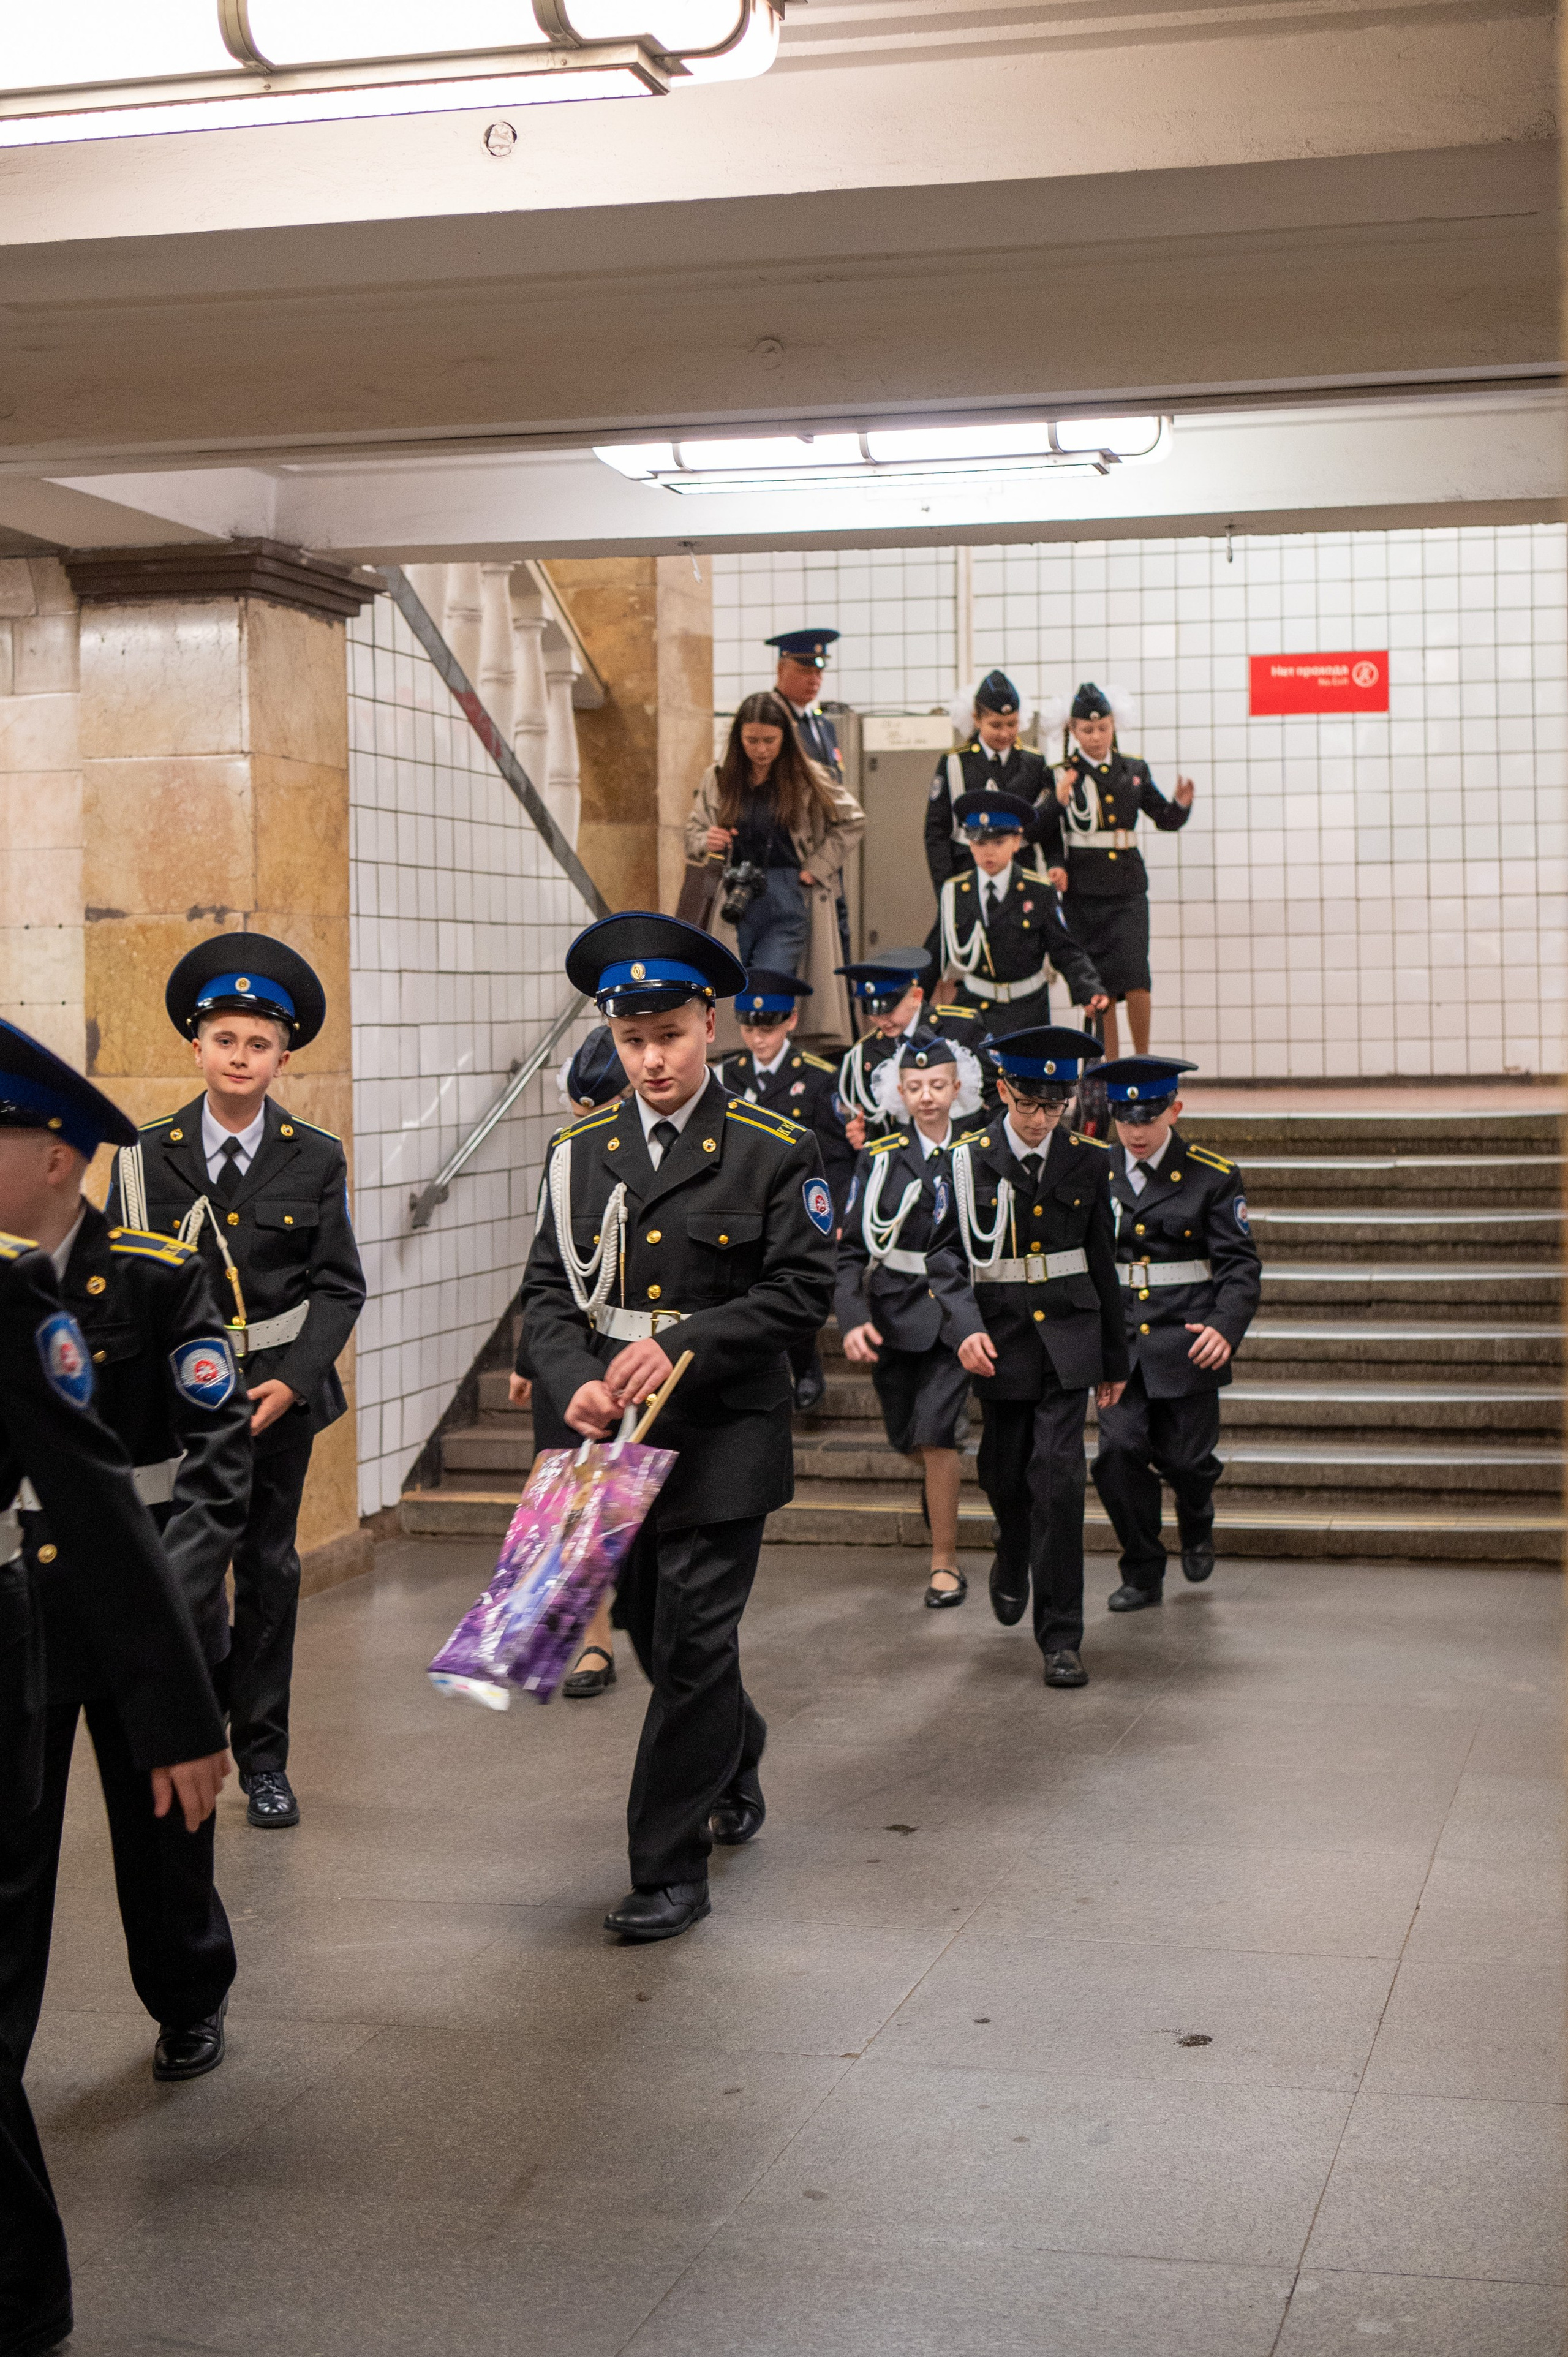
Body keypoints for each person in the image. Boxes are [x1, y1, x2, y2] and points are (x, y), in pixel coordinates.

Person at [519, 911, 835, 1943]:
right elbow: (548, 1293)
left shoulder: (773, 1149)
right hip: (615, 1442)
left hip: (723, 1434)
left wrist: (686, 1342)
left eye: (670, 1036)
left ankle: (667, 1868)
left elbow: (802, 1292)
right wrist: (572, 1378)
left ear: (711, 1025)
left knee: (695, 1640)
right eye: (632, 1040)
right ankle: (737, 1746)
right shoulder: (578, 1154)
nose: (652, 1060)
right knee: (658, 1637)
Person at [0, 1027, 230, 2357]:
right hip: (29, 1605)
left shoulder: (146, 1270)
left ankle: (188, 1988)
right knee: (20, 1848)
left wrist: (182, 1614)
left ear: (54, 1155)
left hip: (139, 1594)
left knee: (159, 1828)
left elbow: (199, 1456)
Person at [105, 934, 366, 1831]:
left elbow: (339, 1286)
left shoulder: (314, 1155)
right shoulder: (142, 1155)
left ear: (283, 1058)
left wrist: (291, 1384)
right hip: (177, 1406)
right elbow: (120, 1286)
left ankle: (263, 1759)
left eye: (260, 1044)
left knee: (265, 1573)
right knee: (180, 1569)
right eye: (226, 1040)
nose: (241, 1057)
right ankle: (185, 1730)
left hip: (273, 1400)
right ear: (197, 1047)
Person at [948, 1027, 1128, 1688]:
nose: (1040, 1119)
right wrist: (964, 1327)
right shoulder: (967, 1160)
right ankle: (1011, 1544)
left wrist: (1114, 1359)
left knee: (1059, 1482)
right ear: (1003, 1091)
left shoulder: (1088, 1159)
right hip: (1001, 1340)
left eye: (1054, 1106)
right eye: (1028, 1104)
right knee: (1005, 1478)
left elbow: (1103, 1260)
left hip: (1068, 1341)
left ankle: (1061, 1637)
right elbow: (944, 1258)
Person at [1090, 1055, 1262, 1609]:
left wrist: (1224, 1327)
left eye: (1148, 1117)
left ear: (1175, 1110)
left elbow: (1239, 1267)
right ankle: (1142, 1568)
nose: (1136, 1131)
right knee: (1117, 1455)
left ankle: (1195, 1512)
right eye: (1125, 1119)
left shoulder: (1212, 1174)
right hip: (1119, 1342)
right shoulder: (1094, 1170)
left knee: (1187, 1461)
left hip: (1186, 1339)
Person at [835, 1037, 984, 1608]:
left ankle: (944, 1563)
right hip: (894, 1312)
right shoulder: (879, 1157)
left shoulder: (977, 1151)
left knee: (937, 1433)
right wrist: (852, 1317)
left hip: (955, 1312)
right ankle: (937, 1480)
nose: (927, 1096)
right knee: (907, 1434)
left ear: (958, 1088)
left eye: (938, 1085)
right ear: (899, 1093)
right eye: (916, 1087)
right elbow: (851, 1249)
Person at [513, 1024, 630, 1702]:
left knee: (621, 1496)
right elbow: (545, 1263)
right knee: (571, 1495)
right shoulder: (567, 1157)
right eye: (582, 1111)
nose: (590, 1123)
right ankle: (593, 1636)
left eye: (603, 1109)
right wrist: (529, 1358)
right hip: (568, 1353)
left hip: (637, 1351)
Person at [686, 692, 865, 1043]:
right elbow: (692, 833)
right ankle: (744, 1062)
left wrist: (818, 865)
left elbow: (853, 819)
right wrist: (707, 839)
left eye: (770, 740)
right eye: (752, 740)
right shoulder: (719, 777)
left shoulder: (807, 776)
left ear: (785, 738)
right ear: (738, 738)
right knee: (734, 986)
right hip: (734, 893)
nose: (761, 750)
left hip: (787, 892)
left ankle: (772, 1059)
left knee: (769, 986)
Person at [717, 967, 852, 1413]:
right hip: (740, 1204)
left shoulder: (818, 1076)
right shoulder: (726, 1076)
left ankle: (807, 1366)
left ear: (791, 1021)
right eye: (749, 1028)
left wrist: (832, 1212)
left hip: (794, 1205)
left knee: (790, 1286)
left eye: (768, 1028)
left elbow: (835, 1155)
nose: (758, 1039)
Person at [1053, 682, 1194, 1060]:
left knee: (1136, 977)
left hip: (1127, 888)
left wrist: (1181, 806)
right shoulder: (1063, 775)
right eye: (1087, 729)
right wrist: (1056, 859)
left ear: (1114, 726)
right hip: (1083, 891)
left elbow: (1163, 817)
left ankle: (1143, 1059)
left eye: (1103, 728)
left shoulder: (1134, 769)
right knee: (1100, 986)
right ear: (1073, 731)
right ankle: (1110, 1064)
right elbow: (1048, 831)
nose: (1096, 736)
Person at [938, 792, 1110, 1039]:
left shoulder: (1038, 891)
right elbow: (937, 950)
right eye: (980, 843)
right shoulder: (955, 892)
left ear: (1017, 842)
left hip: (1027, 1011)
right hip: (974, 1011)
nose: (989, 853)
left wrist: (1089, 989)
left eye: (999, 843)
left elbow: (1065, 950)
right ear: (970, 844)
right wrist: (907, 997)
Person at [925, 670, 1063, 896]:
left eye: (1012, 724)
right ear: (977, 719)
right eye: (996, 725)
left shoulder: (1034, 762)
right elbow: (936, 831)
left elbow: (1048, 822)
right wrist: (945, 887)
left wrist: (1055, 863)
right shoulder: (955, 762)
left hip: (1021, 871)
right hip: (969, 872)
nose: (1005, 733)